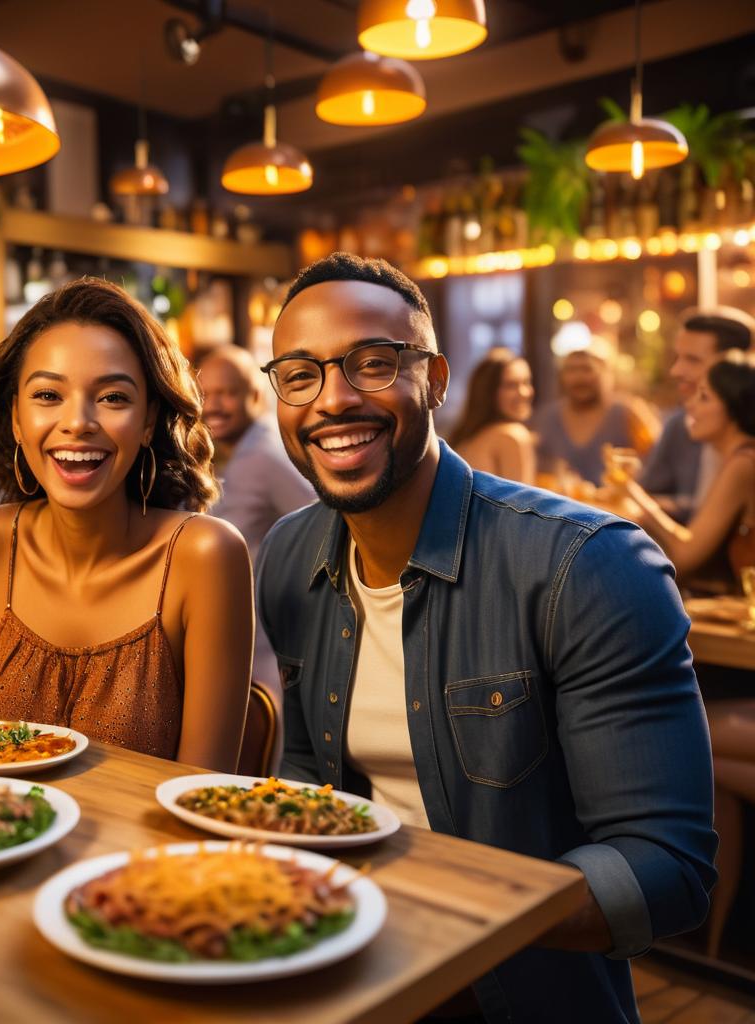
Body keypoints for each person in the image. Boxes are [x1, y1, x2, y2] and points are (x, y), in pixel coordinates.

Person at [255, 253, 715, 1024]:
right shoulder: (288, 555)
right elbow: (310, 773)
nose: (332, 399)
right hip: (339, 977)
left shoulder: (587, 564)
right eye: (299, 375)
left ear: (434, 381)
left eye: (372, 364)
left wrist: (438, 916)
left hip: (517, 994)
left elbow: (665, 866)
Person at [0, 278, 251, 772]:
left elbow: (201, 797)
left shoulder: (205, 556)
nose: (78, 422)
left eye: (112, 398)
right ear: (16, 420)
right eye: (48, 395)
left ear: (149, 420)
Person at [198, 345, 315, 700]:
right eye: (206, 394)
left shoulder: (263, 455)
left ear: (253, 395)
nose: (213, 405)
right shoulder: (239, 451)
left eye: (227, 393)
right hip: (249, 630)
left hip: (269, 636)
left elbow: (325, 519)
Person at [612, 352, 755, 589]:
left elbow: (685, 556)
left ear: (734, 405)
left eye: (704, 397)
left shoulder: (744, 463)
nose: (689, 404)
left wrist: (631, 491)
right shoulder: (736, 458)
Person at [639, 308, 754, 520]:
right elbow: (649, 490)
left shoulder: (746, 449)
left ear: (733, 365)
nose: (676, 371)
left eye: (692, 360)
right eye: (678, 357)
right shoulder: (679, 423)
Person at [533, 338, 661, 486]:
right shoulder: (547, 417)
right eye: (571, 370)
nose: (579, 378)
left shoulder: (630, 413)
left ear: (606, 373)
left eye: (587, 369)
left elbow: (658, 463)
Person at [447, 347, 536, 483]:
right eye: (510, 385)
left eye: (526, 382)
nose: (524, 393)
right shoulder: (513, 435)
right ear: (488, 392)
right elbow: (522, 503)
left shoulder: (466, 436)